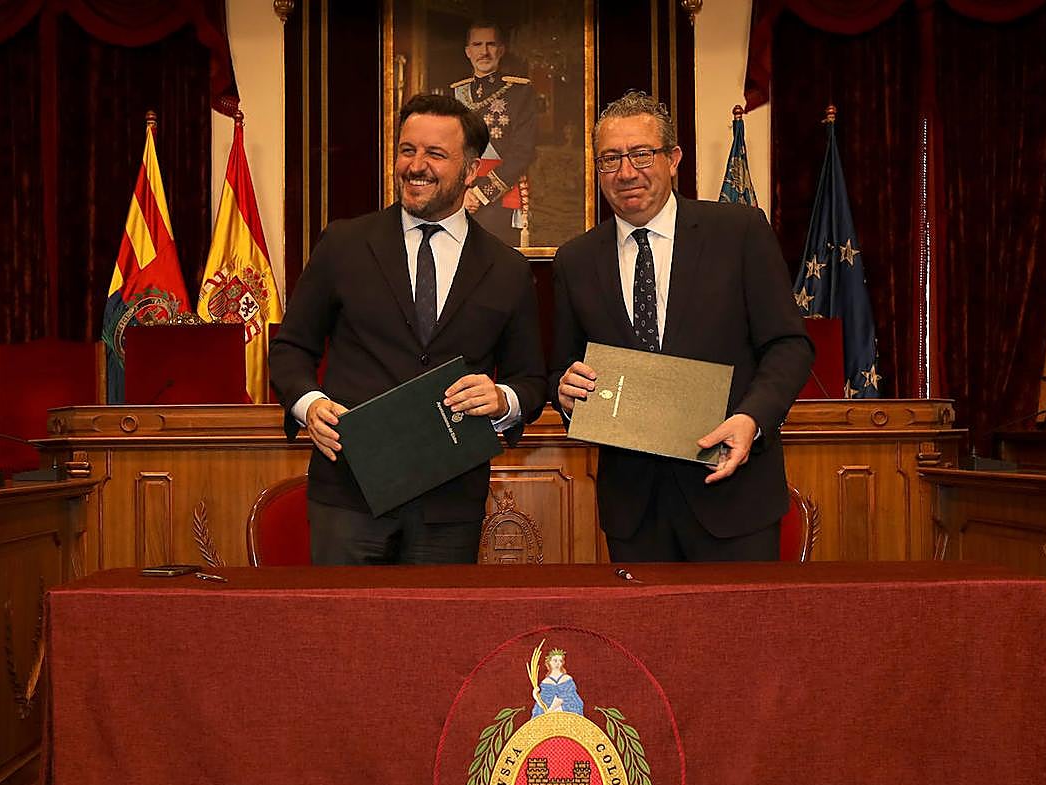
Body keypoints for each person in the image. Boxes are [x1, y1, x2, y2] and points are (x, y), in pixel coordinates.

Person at [270, 93, 545, 565]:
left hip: (451, 502)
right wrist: (308, 405)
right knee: (344, 633)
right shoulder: (344, 244)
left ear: (471, 168)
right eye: (407, 150)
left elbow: (532, 380)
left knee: (436, 638)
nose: (416, 166)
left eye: (435, 154)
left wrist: (503, 400)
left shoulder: (508, 269)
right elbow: (290, 348)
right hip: (349, 491)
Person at [551, 91, 814, 563]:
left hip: (734, 498)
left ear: (673, 159)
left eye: (641, 154)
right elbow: (561, 369)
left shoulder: (740, 232)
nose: (626, 172)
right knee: (640, 639)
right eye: (610, 158)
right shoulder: (575, 260)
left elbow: (789, 345)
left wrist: (752, 419)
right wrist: (565, 392)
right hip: (635, 511)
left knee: (739, 637)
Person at [451, 22, 537, 248]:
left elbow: (523, 153)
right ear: (468, 51)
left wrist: (479, 194)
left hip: (500, 198)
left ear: (501, 49)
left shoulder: (520, 93)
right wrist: (462, 194)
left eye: (491, 44)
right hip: (460, 196)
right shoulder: (456, 94)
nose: (484, 51)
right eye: (477, 44)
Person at [531, 649, 583, 716]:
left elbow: (573, 700)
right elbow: (542, 706)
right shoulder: (545, 682)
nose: (558, 663)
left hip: (565, 715)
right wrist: (535, 695)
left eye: (560, 661)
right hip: (550, 716)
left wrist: (555, 706)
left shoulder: (567, 679)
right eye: (555, 660)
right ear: (549, 662)